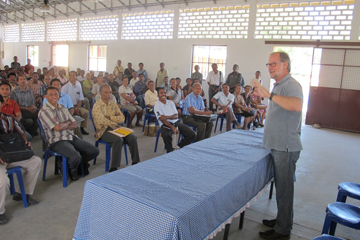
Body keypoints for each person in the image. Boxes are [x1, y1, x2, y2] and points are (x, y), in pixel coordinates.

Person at [253, 52, 303, 240]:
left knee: (284, 189)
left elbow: (297, 105)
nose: (270, 67)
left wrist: (269, 95)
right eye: (269, 64)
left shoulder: (291, 85)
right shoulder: (280, 85)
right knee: (282, 188)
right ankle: (282, 220)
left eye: (274, 64)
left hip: (285, 147)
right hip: (278, 145)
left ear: (286, 64)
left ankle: (282, 231)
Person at [39, 87, 99, 181]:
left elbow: (74, 124)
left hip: (70, 136)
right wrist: (67, 123)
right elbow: (58, 128)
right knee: (75, 156)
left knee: (94, 151)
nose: (54, 96)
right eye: (51, 95)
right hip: (57, 141)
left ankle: (73, 164)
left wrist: (63, 124)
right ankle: (72, 171)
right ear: (45, 97)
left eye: (56, 94)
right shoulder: (44, 111)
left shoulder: (62, 108)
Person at [0, 95, 41, 225]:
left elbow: (21, 132)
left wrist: (24, 142)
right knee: (2, 181)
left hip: (12, 155)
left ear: (2, 105)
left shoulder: (9, 119)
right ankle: (0, 211)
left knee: (35, 162)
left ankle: (23, 193)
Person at [92, 85, 140, 171]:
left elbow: (122, 118)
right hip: (103, 130)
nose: (109, 94)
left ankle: (136, 162)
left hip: (116, 127)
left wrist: (110, 117)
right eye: (106, 92)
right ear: (101, 94)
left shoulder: (113, 103)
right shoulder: (97, 106)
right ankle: (114, 167)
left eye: (110, 92)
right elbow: (102, 120)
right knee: (118, 140)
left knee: (132, 137)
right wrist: (114, 120)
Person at [154, 88, 196, 153]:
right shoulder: (157, 105)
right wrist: (172, 126)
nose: (163, 94)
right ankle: (170, 152)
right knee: (166, 134)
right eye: (161, 93)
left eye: (164, 92)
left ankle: (179, 146)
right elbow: (162, 119)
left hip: (176, 122)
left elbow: (176, 115)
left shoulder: (170, 102)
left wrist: (166, 117)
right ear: (158, 95)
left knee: (192, 134)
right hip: (165, 124)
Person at [61, 71, 89, 135]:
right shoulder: (65, 87)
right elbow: (63, 102)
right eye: (70, 75)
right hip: (67, 107)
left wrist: (78, 108)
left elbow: (80, 99)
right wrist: (71, 108)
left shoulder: (78, 87)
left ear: (76, 77)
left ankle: (82, 128)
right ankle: (69, 129)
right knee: (69, 115)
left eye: (74, 75)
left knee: (86, 112)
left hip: (76, 106)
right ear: (68, 77)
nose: (72, 77)